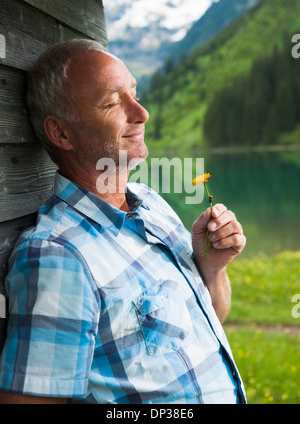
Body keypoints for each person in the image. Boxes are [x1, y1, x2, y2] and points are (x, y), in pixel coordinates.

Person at [0, 39, 247, 404]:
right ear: (61, 133)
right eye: (113, 102)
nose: (142, 112)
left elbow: (205, 324)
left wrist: (212, 268)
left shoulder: (151, 203)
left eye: (134, 92)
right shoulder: (58, 257)